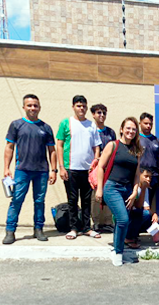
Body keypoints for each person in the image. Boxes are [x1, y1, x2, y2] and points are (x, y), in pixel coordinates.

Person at [2, 94, 57, 245]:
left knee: (39, 201)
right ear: (24, 107)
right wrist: (6, 168)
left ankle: (38, 229)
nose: (33, 108)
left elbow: (52, 150)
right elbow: (9, 147)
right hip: (22, 170)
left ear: (39, 107)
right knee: (17, 200)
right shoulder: (16, 125)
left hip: (42, 171)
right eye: (30, 105)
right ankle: (10, 231)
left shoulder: (46, 128)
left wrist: (54, 170)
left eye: (35, 105)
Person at [95, 117, 143, 266]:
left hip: (127, 190)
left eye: (134, 129)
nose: (130, 131)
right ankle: (118, 252)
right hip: (112, 187)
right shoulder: (113, 145)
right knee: (123, 219)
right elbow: (101, 167)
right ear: (121, 129)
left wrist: (135, 191)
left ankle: (117, 250)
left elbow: (136, 174)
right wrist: (99, 189)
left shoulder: (137, 150)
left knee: (120, 222)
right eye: (128, 128)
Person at [56, 95, 102, 240]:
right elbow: (59, 145)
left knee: (87, 200)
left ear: (86, 108)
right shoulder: (66, 123)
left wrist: (95, 162)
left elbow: (96, 147)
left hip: (87, 170)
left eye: (83, 106)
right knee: (72, 200)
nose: (81, 108)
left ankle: (87, 228)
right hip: (71, 168)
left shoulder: (92, 125)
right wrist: (61, 167)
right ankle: (74, 228)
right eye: (78, 105)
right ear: (73, 107)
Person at [90, 103, 116, 233]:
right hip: (94, 169)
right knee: (96, 195)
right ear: (93, 114)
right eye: (99, 112)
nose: (102, 115)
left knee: (108, 194)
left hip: (109, 169)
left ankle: (107, 222)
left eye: (104, 113)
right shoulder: (90, 129)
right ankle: (96, 222)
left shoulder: (110, 132)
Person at [125, 168, 159, 249]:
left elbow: (147, 207)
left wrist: (154, 214)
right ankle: (128, 237)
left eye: (150, 177)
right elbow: (138, 206)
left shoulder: (145, 188)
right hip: (128, 218)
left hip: (136, 217)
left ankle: (155, 239)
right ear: (139, 176)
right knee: (144, 214)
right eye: (146, 176)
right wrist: (144, 189)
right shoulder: (135, 187)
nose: (148, 179)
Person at [138, 112, 159, 208]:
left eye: (150, 124)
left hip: (154, 175)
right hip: (141, 173)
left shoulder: (156, 140)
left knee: (151, 202)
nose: (148, 126)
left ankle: (150, 221)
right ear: (140, 123)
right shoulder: (136, 139)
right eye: (146, 123)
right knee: (141, 201)